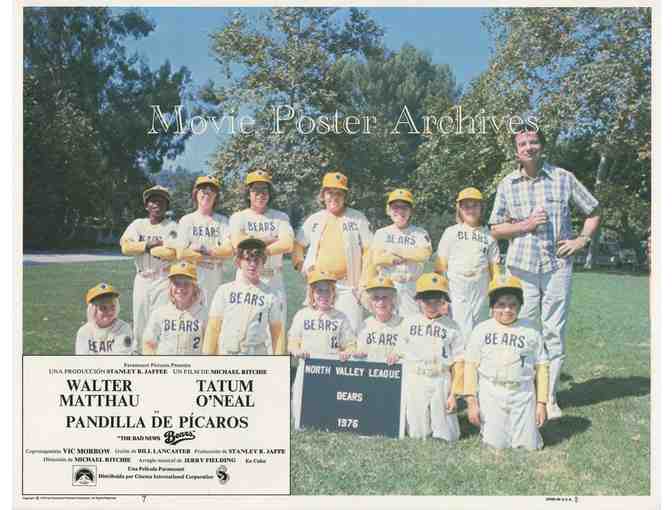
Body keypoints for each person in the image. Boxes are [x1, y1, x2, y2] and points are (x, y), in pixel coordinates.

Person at [489, 124, 600, 419]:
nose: (528, 147)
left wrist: (582, 240)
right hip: (521, 267)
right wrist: (524, 225)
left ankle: (549, 398)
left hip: (556, 267)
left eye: (534, 142)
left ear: (542, 146)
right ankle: (520, 390)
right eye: (523, 143)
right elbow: (496, 228)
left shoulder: (563, 178)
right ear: (516, 150)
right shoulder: (507, 184)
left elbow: (594, 210)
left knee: (553, 331)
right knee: (522, 328)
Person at [463, 275, 549, 450]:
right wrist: (471, 402)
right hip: (492, 391)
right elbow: (470, 366)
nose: (507, 310)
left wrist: (541, 404)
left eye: (513, 304)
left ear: (520, 305)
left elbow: (542, 368)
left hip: (522, 392)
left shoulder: (531, 330)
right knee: (496, 444)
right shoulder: (482, 329)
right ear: (492, 306)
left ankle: (525, 430)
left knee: (529, 446)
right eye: (501, 304)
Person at [388, 273, 464, 442]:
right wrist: (394, 354)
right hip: (417, 377)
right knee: (417, 433)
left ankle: (443, 426)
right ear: (418, 300)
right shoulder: (409, 323)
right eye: (426, 300)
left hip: (441, 377)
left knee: (448, 435)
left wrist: (454, 393)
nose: (431, 305)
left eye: (437, 300)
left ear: (444, 301)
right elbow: (399, 348)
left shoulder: (452, 326)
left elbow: (459, 361)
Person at [292, 171, 372, 332]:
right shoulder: (314, 219)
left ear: (345, 196)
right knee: (317, 332)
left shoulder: (358, 218)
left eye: (339, 193)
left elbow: (370, 250)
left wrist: (363, 282)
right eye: (329, 192)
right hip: (319, 285)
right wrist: (301, 265)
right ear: (322, 195)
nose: (334, 197)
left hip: (349, 287)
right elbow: (298, 244)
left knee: (351, 332)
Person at [229, 169, 294, 339]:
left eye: (264, 190)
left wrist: (252, 243)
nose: (260, 194)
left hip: (273, 279)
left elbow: (287, 244)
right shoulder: (238, 217)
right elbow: (238, 244)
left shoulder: (280, 217)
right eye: (255, 190)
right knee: (244, 329)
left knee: (276, 330)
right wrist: (267, 239)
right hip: (245, 279)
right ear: (248, 193)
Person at [287, 270, 356, 429]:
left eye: (328, 290)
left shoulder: (340, 317)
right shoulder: (302, 315)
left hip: (332, 370)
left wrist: (347, 352)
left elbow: (351, 344)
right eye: (319, 290)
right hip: (307, 369)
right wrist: (297, 351)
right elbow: (292, 342)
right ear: (311, 294)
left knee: (331, 409)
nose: (324, 295)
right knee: (300, 407)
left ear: (334, 294)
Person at [435, 187, 500, 341]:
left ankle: (475, 363)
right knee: (460, 328)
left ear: (481, 208)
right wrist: (440, 296)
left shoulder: (489, 235)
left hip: (480, 288)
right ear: (459, 209)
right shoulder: (451, 232)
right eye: (466, 206)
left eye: (475, 205)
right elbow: (440, 266)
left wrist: (496, 295)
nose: (470, 209)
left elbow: (495, 269)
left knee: (479, 328)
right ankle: (459, 362)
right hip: (457, 287)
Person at [119, 185, 179, 349]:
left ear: (167, 206)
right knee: (139, 319)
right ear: (146, 205)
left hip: (163, 278)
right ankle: (139, 353)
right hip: (142, 277)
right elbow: (125, 247)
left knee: (159, 319)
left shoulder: (172, 226)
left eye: (161, 201)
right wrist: (148, 245)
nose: (157, 205)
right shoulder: (138, 224)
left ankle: (159, 355)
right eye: (152, 201)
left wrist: (151, 247)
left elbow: (174, 252)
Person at [202, 238, 285, 355]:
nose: (252, 264)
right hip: (227, 355)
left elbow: (277, 333)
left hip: (255, 357)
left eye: (257, 260)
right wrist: (207, 357)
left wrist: (279, 361)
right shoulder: (224, 291)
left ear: (263, 262)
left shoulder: (270, 295)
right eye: (247, 259)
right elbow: (213, 329)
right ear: (238, 262)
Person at [370, 189, 432, 318]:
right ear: (388, 210)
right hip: (387, 287)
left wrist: (397, 252)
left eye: (404, 207)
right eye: (395, 207)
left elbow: (424, 254)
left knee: (411, 325)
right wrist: (391, 259)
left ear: (411, 211)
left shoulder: (420, 233)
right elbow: (376, 258)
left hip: (411, 286)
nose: (400, 211)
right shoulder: (381, 233)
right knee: (388, 326)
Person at [177, 175, 234, 307]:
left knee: (212, 315)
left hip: (214, 276)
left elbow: (229, 250)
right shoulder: (187, 220)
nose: (206, 194)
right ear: (196, 194)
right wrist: (215, 253)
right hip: (191, 276)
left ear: (216, 197)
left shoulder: (223, 221)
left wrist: (203, 249)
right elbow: (181, 253)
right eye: (203, 190)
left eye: (211, 191)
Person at [142, 261, 208, 355]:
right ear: (170, 287)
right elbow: (148, 342)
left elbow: (210, 346)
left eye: (186, 283)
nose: (181, 288)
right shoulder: (159, 313)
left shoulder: (204, 314)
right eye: (176, 283)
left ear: (194, 288)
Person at [350, 275, 403, 362]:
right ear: (369, 301)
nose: (381, 302)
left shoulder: (403, 324)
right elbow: (356, 349)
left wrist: (398, 355)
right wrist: (358, 353)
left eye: (385, 297)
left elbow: (409, 352)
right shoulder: (364, 325)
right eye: (376, 298)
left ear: (393, 300)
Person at [75, 283, 134, 355]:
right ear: (93, 310)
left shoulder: (123, 329)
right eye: (103, 308)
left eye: (112, 306)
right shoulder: (84, 332)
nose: (109, 312)